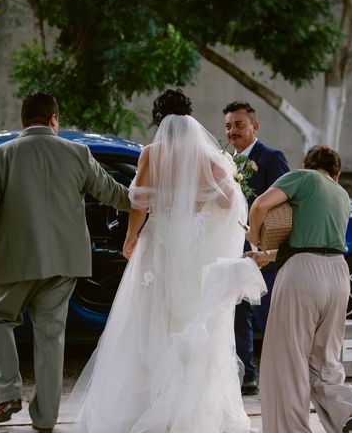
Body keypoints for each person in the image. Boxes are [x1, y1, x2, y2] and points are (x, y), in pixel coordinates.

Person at [69, 89, 265, 432]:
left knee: (146, 323)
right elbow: (227, 201)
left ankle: (143, 404)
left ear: (159, 120)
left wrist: (131, 238)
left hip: (157, 249)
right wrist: (198, 227)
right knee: (188, 321)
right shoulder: (208, 156)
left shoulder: (151, 154)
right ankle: (190, 408)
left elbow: (138, 202)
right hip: (192, 258)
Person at [0, 92, 131, 433]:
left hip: (12, 261)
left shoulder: (0, 156)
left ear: (22, 121)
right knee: (50, 336)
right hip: (65, 264)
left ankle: (8, 393)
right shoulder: (78, 153)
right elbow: (115, 194)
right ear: (55, 119)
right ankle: (45, 417)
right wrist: (156, 194)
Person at [245, 145, 352, 433]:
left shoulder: (304, 177)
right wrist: (268, 256)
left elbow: (261, 204)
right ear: (337, 174)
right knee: (324, 358)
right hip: (338, 273)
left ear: (306, 164)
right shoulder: (342, 194)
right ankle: (346, 410)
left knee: (287, 360)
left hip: (302, 276)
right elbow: (317, 242)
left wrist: (253, 237)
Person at [223, 101, 289, 395]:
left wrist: (267, 250)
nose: (232, 131)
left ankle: (281, 378)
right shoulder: (225, 161)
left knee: (269, 317)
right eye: (227, 126)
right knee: (238, 313)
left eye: (238, 125)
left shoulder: (272, 158)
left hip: (265, 254)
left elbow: (282, 206)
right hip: (234, 250)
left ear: (254, 126)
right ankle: (247, 374)